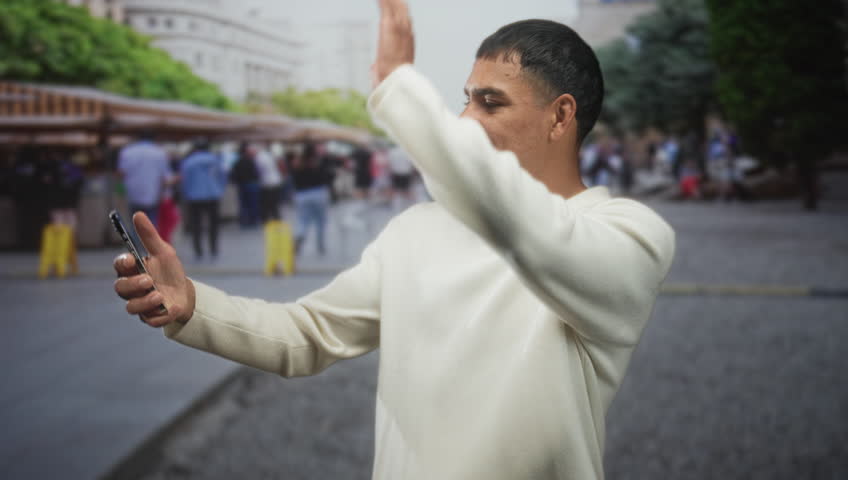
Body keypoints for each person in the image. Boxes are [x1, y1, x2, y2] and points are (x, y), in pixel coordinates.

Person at [112, 2, 675, 479]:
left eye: (491, 102)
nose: (465, 119)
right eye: (465, 99)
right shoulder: (417, 230)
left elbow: (531, 232)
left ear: (561, 117)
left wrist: (399, 88)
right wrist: (194, 306)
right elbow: (308, 335)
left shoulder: (630, 235)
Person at [180, 138, 224, 262]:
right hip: (213, 194)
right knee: (214, 224)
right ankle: (213, 248)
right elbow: (222, 176)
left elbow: (185, 180)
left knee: (196, 225)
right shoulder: (215, 160)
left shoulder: (189, 161)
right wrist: (219, 189)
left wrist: (186, 194)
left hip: (194, 196)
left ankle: (198, 250)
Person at [117, 131, 170, 226]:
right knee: (151, 225)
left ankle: (135, 240)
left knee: (135, 224)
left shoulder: (127, 151)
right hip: (153, 195)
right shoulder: (160, 153)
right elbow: (164, 178)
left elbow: (121, 173)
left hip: (133, 195)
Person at [229, 142, 261, 229]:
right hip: (251, 184)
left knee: (244, 204)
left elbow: (233, 175)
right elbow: (256, 173)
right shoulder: (250, 161)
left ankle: (244, 221)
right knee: (253, 203)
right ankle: (253, 220)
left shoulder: (237, 162)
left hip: (242, 185)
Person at [254, 143, 283, 222]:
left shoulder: (260, 157)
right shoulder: (268, 156)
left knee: (267, 204)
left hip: (267, 184)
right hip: (274, 182)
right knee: (274, 204)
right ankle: (276, 219)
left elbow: (259, 171)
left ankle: (268, 220)